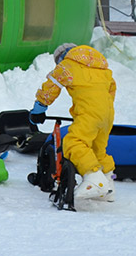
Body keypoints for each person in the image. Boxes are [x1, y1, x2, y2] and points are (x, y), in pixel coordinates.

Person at [29, 42, 117, 202]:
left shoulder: (67, 65)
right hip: (107, 114)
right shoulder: (102, 69)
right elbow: (111, 90)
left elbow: (51, 86)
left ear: (61, 58)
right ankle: (108, 184)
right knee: (98, 149)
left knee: (73, 142)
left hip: (89, 112)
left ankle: (94, 179)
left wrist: (39, 108)